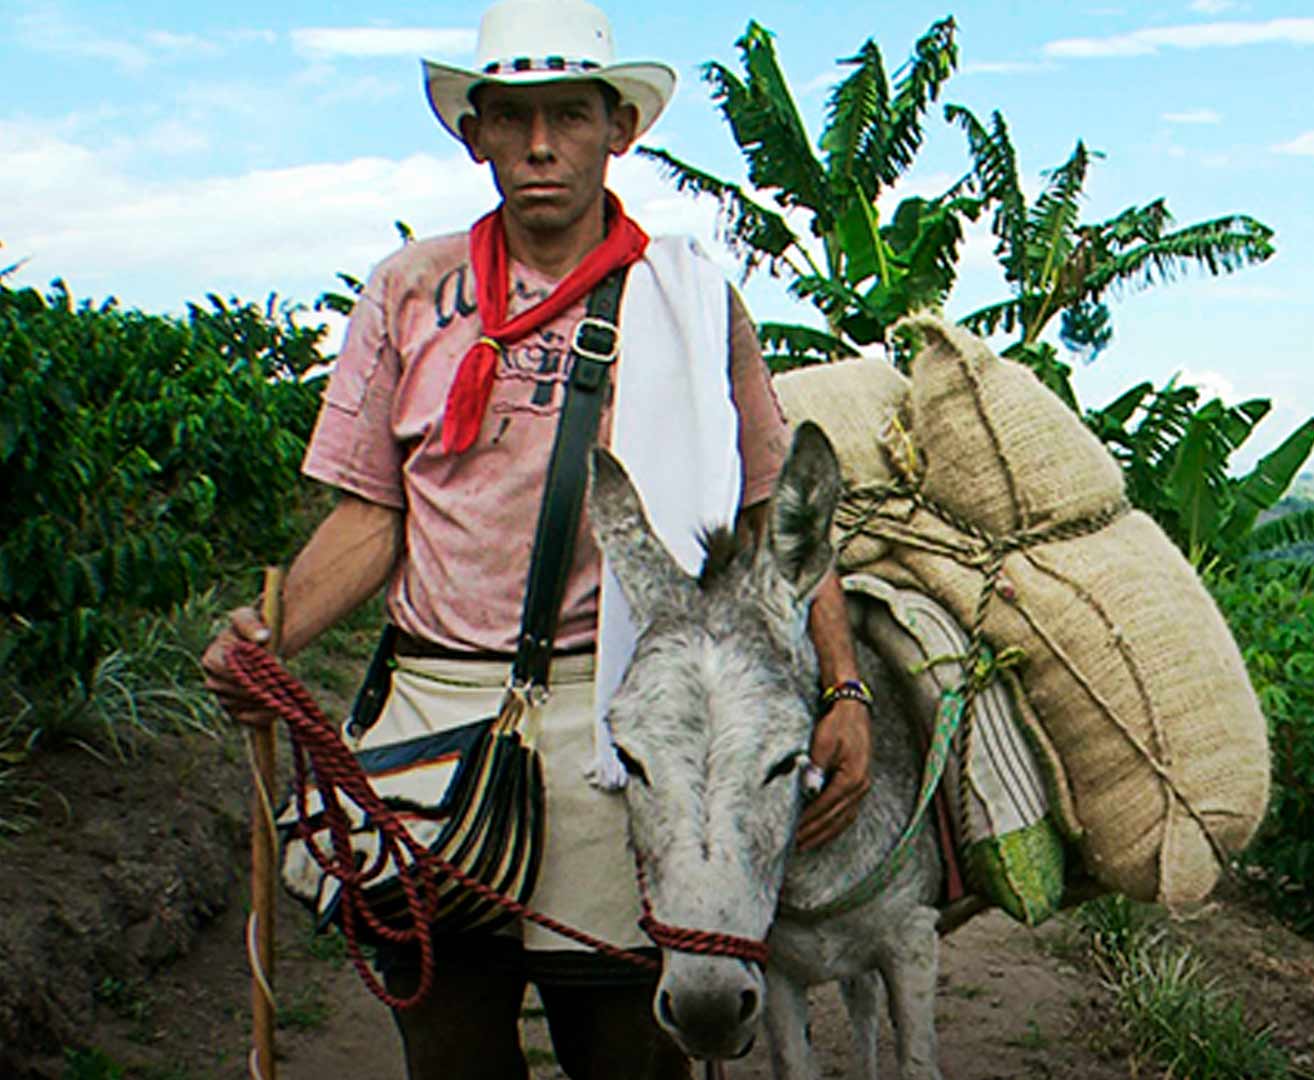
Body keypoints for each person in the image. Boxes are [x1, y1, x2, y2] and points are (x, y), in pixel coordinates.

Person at [198, 1, 871, 1076]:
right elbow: (375, 514)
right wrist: (267, 641)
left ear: (621, 129)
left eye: (570, 114)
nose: (541, 144)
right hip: (433, 717)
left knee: (628, 1051)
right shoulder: (409, 292)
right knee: (449, 1044)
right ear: (475, 134)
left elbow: (770, 511)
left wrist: (842, 687)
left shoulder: (690, 301)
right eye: (511, 118)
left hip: (617, 727)